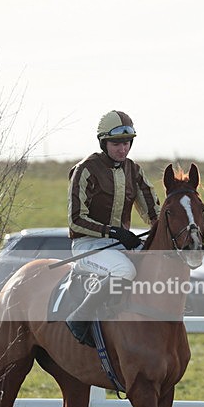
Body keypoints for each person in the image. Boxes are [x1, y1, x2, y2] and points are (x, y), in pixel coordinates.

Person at [66, 110, 160, 342]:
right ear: (103, 142)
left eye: (127, 143)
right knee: (124, 271)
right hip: (88, 244)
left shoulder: (134, 170)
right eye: (116, 143)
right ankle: (79, 317)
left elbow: (153, 213)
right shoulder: (85, 169)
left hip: (119, 244)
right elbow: (76, 219)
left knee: (156, 262)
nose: (123, 149)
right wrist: (113, 232)